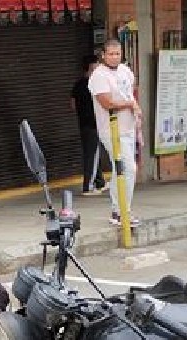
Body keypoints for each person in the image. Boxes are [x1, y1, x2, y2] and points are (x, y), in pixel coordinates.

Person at [89, 38, 142, 227]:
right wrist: (129, 104)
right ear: (103, 55)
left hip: (128, 128)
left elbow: (131, 92)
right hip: (111, 130)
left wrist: (135, 109)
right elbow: (107, 104)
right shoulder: (98, 76)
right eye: (110, 54)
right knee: (128, 168)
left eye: (117, 53)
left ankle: (117, 210)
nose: (114, 57)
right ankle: (122, 211)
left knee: (120, 169)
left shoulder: (125, 71)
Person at [71, 55, 108, 196]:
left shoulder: (77, 85)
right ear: (91, 68)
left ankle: (100, 182)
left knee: (93, 153)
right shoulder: (93, 85)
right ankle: (89, 186)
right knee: (92, 155)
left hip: (83, 124)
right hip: (93, 124)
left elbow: (72, 104)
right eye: (96, 67)